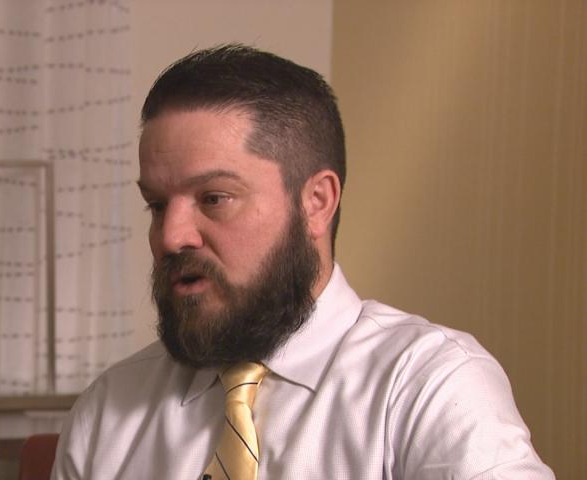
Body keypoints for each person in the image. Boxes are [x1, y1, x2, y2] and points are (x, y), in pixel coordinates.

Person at [51, 45, 554, 479]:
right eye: (157, 205)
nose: (170, 236)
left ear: (316, 202)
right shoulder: (108, 411)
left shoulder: (429, 387)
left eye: (214, 198)